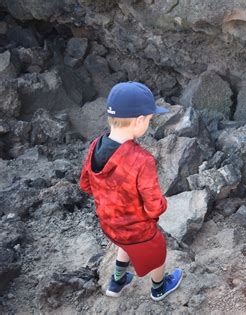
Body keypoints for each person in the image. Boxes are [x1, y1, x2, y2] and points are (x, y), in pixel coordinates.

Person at [79, 82, 182, 301]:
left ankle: (117, 281)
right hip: (136, 230)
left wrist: (108, 199)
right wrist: (160, 208)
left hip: (109, 223)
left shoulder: (96, 145)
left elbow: (85, 185)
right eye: (150, 119)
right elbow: (154, 205)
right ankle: (159, 288)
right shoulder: (141, 159)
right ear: (139, 121)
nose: (149, 123)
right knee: (158, 251)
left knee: (124, 244)